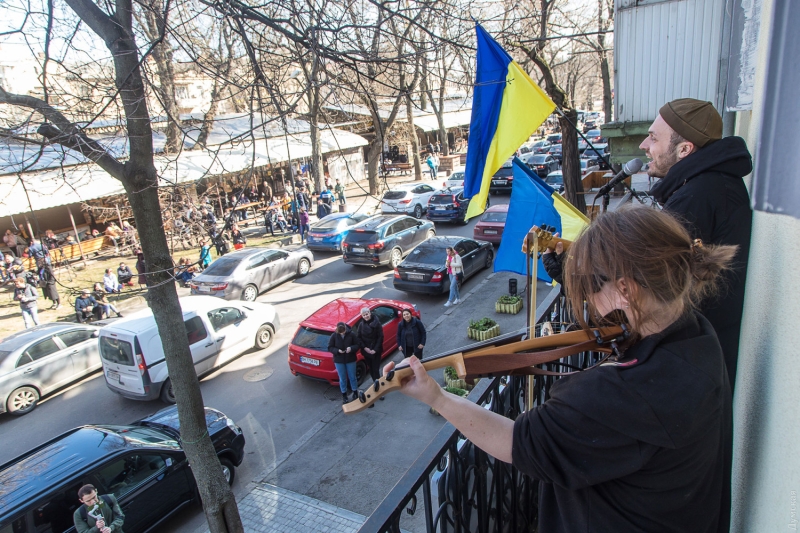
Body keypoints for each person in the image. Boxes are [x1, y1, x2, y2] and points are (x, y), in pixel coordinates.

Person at [384, 207, 734, 533]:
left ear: (625, 289)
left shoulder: (621, 394)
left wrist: (437, 397)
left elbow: (516, 442)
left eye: (591, 285)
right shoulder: (697, 334)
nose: (587, 298)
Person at [639, 98, 752, 389]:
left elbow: (652, 279)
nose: (644, 145)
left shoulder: (697, 195)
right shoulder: (712, 184)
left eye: (653, 137)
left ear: (684, 149)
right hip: (705, 355)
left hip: (693, 364)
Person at [355, 308, 384, 398]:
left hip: (375, 351)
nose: (366, 316)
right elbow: (358, 337)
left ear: (370, 313)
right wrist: (365, 348)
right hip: (366, 351)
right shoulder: (361, 325)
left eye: (367, 314)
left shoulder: (377, 323)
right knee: (371, 369)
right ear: (362, 316)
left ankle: (379, 389)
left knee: (376, 370)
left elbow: (380, 337)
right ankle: (376, 384)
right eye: (364, 315)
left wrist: (375, 349)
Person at [328, 322, 361, 404]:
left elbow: (357, 344)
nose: (342, 333)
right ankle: (344, 395)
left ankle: (355, 393)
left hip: (350, 359)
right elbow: (330, 347)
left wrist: (351, 348)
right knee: (342, 378)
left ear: (346, 328)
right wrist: (337, 351)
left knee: (352, 377)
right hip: (339, 360)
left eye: (343, 331)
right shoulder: (334, 336)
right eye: (341, 332)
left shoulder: (351, 334)